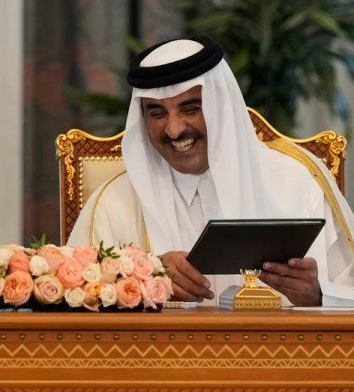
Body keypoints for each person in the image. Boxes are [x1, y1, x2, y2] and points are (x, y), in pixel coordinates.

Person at [68, 36, 354, 307]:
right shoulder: (113, 203)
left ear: (221, 107)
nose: (174, 129)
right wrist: (146, 276)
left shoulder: (297, 181)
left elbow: (347, 287)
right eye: (157, 113)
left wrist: (317, 295)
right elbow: (74, 300)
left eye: (190, 108)